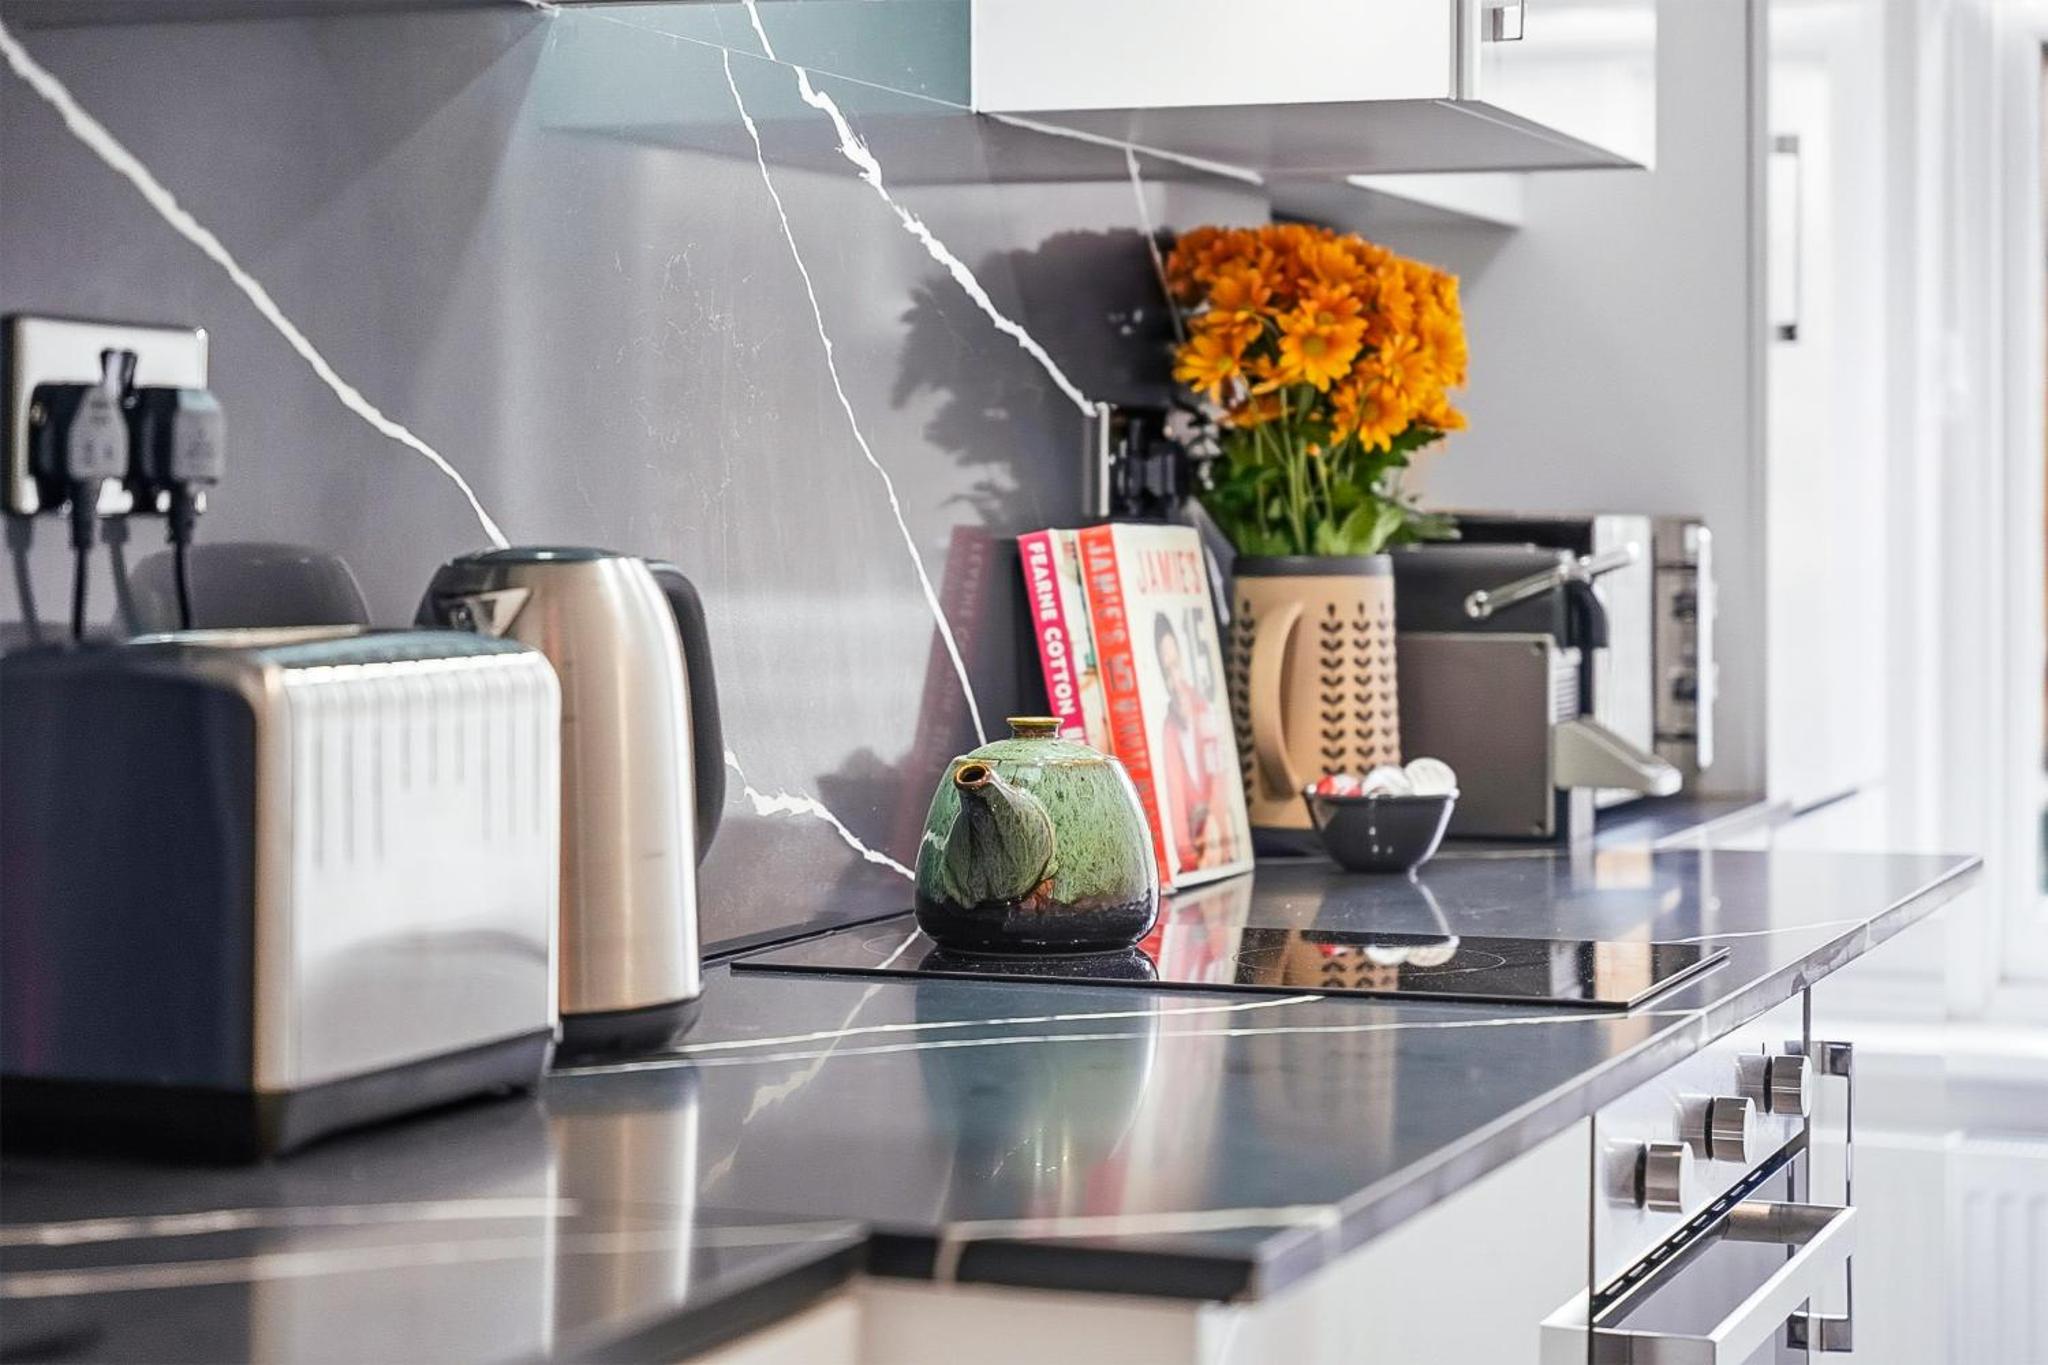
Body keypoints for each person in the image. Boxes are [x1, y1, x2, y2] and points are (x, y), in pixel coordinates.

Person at [1153, 611, 1231, 871]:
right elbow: (1175, 802)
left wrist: (1216, 830)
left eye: (1175, 665)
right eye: (1166, 671)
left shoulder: (1204, 709)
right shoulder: (1168, 730)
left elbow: (1219, 780)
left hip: (1219, 843)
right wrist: (1190, 862)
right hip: (1196, 859)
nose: (1173, 679)